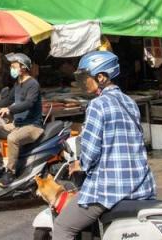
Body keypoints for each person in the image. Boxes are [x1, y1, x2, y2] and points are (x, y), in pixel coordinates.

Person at [52, 51, 154, 240]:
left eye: (86, 78)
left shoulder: (97, 105)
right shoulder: (130, 103)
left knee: (62, 227)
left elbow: (90, 153)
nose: (83, 83)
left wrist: (79, 164)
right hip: (140, 184)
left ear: (101, 77)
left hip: (110, 187)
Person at [0, 53, 43, 187]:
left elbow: (29, 103)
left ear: (23, 67)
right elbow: (9, 99)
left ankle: (10, 173)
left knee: (12, 138)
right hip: (17, 125)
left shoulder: (33, 84)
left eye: (14, 65)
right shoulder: (18, 83)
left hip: (32, 126)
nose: (11, 67)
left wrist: (9, 110)